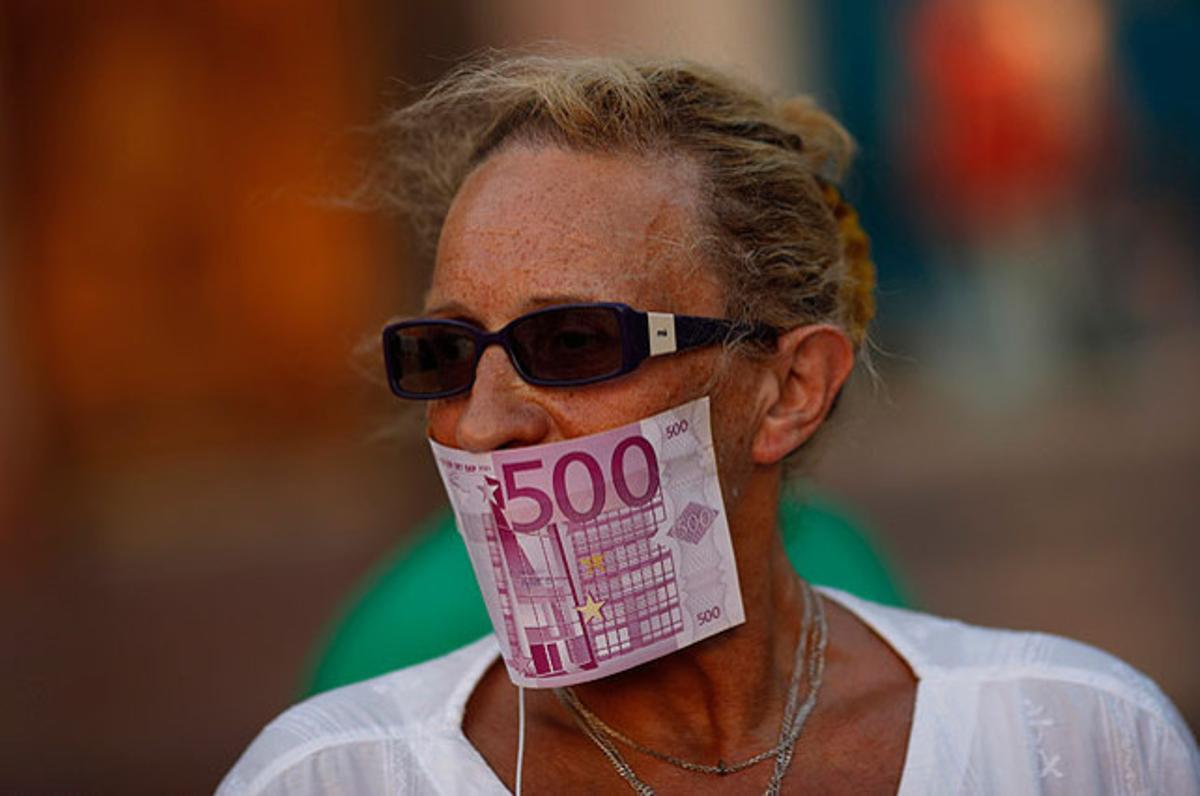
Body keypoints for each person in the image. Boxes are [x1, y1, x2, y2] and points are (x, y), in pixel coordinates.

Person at [218, 53, 1200, 794]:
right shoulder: (332, 775)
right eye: (441, 353)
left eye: (571, 340)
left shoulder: (1074, 743)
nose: (482, 424)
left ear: (789, 388)